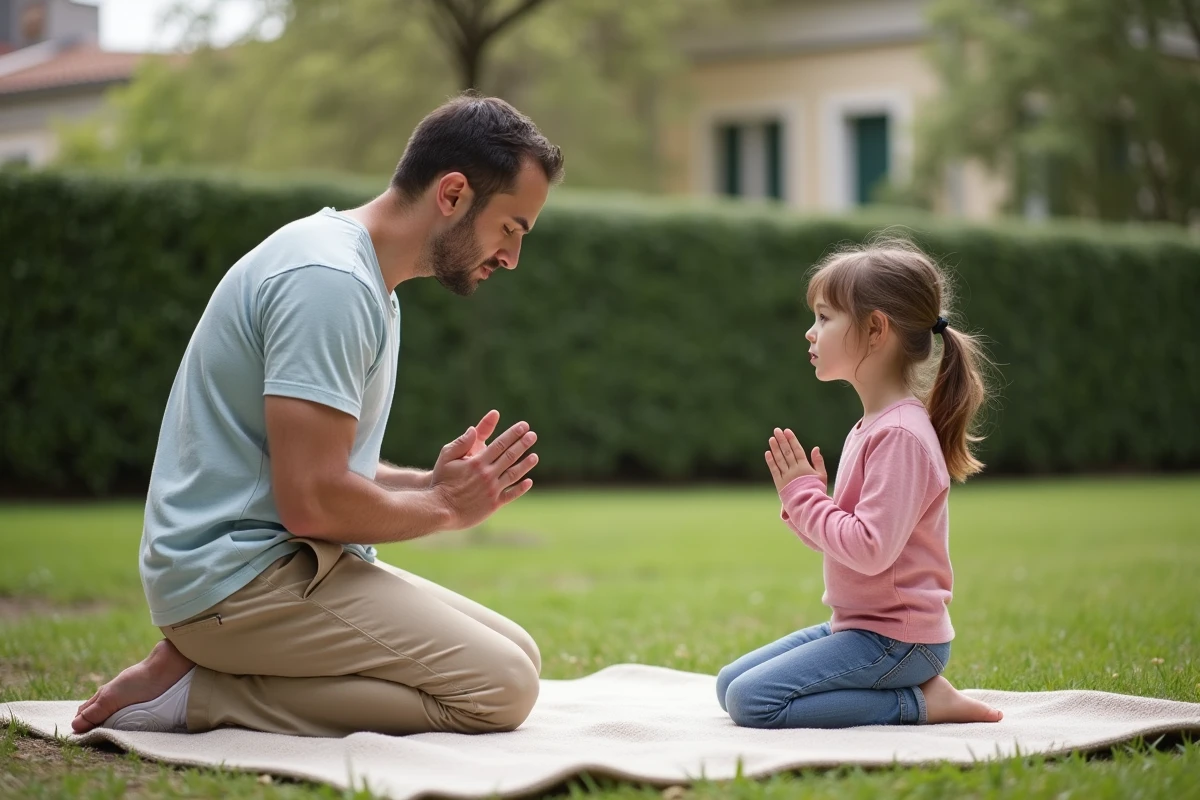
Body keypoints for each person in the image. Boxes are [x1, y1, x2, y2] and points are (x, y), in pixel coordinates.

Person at [71, 94, 564, 738]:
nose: (512, 257)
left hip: (282, 563)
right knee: (501, 689)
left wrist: (424, 483)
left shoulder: (364, 280)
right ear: (452, 194)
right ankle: (203, 693)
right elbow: (312, 501)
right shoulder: (330, 281)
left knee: (520, 653)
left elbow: (323, 464)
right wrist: (447, 508)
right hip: (238, 580)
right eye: (511, 229)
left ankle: (201, 662)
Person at [716, 238, 1005, 729]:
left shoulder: (900, 435)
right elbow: (848, 543)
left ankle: (921, 703)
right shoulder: (872, 427)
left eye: (824, 318)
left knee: (752, 702)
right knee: (729, 684)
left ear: (875, 329)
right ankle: (915, 692)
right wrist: (805, 504)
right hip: (860, 627)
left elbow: (870, 549)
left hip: (899, 640)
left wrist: (807, 498)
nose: (810, 332)